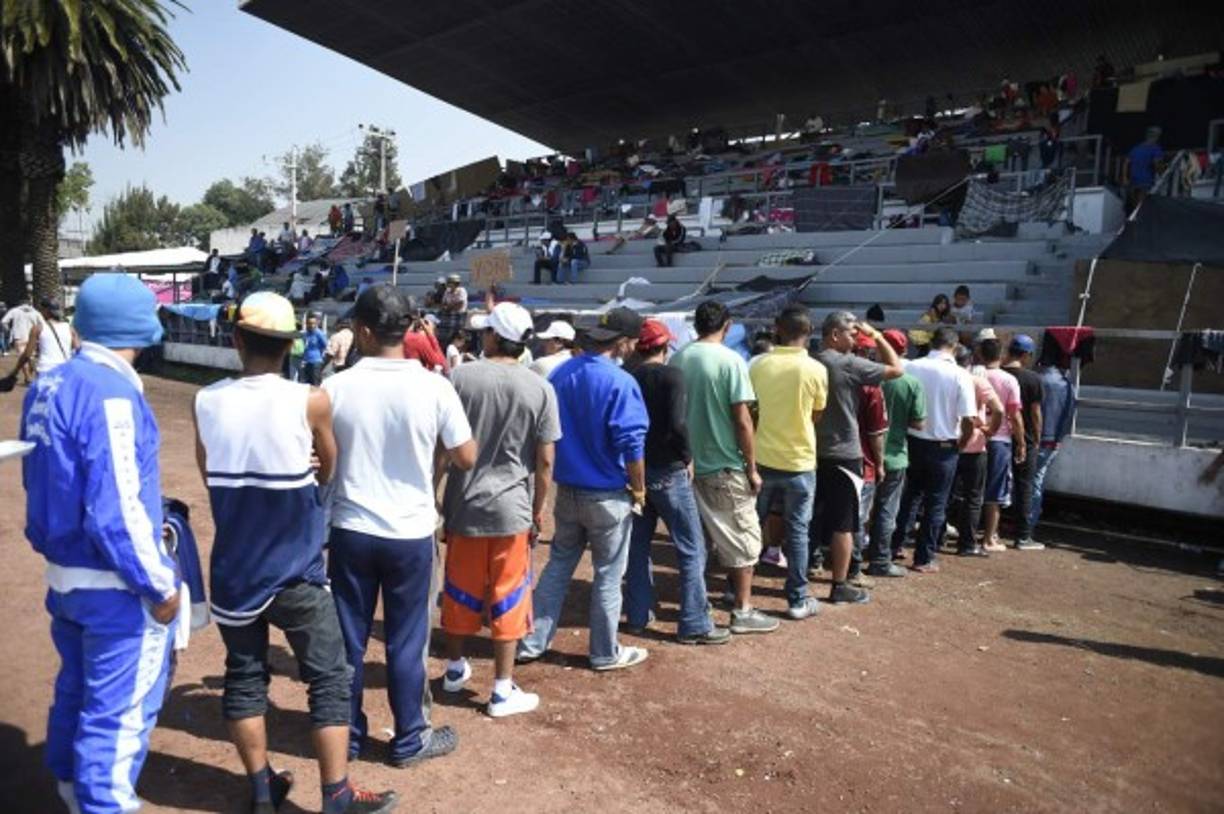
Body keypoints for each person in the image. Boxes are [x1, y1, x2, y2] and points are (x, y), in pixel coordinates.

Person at [193, 291, 397, 814]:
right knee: (329, 678)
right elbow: (329, 467)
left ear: (236, 339)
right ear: (289, 345)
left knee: (244, 676)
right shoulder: (311, 399)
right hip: (297, 571)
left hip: (235, 570)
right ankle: (336, 795)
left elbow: (207, 470)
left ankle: (262, 789)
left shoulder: (206, 400)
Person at [21, 274, 181, 814]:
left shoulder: (49, 384)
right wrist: (160, 583)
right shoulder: (111, 393)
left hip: (65, 576)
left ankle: (69, 790)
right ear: (139, 327)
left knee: (76, 692)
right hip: (115, 585)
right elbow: (117, 509)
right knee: (118, 715)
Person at [322, 285, 474, 767]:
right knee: (407, 640)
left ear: (363, 331)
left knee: (349, 636)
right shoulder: (434, 386)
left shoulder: (335, 388)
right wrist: (429, 454)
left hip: (351, 527)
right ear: (410, 328)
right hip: (410, 530)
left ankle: (345, 734)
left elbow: (317, 456)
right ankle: (410, 737)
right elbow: (467, 455)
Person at [441, 302, 560, 714]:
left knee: (458, 588)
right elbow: (545, 461)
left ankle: (455, 668)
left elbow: (443, 448)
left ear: (492, 335)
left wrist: (437, 497)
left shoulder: (459, 378)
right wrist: (538, 509)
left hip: (463, 504)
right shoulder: (540, 387)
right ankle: (502, 688)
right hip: (512, 507)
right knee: (509, 596)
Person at [518, 307, 650, 669]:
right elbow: (632, 444)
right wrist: (639, 490)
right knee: (609, 573)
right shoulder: (621, 381)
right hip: (608, 492)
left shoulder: (563, 371)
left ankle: (532, 641)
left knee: (559, 564)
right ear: (622, 343)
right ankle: (604, 651)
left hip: (568, 488)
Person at [670, 301, 779, 634]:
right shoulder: (732, 361)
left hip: (688, 464)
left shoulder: (680, 357)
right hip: (723, 464)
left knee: (697, 540)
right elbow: (743, 420)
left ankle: (697, 604)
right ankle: (742, 608)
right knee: (745, 540)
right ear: (727, 326)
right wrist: (752, 466)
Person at [624, 319, 730, 643]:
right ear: (665, 346)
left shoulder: (628, 376)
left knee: (638, 546)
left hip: (636, 469)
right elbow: (677, 424)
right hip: (669, 469)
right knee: (691, 546)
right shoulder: (671, 375)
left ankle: (638, 615)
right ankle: (694, 621)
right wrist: (688, 457)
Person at [810, 311, 904, 602]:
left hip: (810, 451)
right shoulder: (847, 364)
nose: (856, 338)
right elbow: (895, 368)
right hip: (843, 453)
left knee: (808, 519)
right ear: (834, 334)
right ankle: (840, 584)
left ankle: (801, 578)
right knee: (844, 523)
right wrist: (876, 335)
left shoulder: (811, 361)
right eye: (851, 333)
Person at [748, 306, 828, 619]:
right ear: (809, 333)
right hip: (800, 461)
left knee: (752, 526)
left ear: (777, 329)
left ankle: (734, 587)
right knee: (798, 532)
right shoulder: (816, 369)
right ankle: (797, 600)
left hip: (763, 458)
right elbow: (817, 414)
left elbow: (750, 410)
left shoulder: (759, 365)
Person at [890, 327, 977, 573]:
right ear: (955, 346)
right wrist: (961, 444)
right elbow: (969, 418)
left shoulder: (912, 366)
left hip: (913, 440)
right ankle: (923, 557)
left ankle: (895, 545)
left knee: (909, 497)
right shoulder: (960, 375)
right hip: (944, 444)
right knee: (936, 503)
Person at [865, 330, 925, 577]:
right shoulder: (911, 383)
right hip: (895, 454)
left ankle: (853, 558)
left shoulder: (867, 378)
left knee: (862, 509)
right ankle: (880, 559)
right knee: (887, 509)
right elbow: (919, 423)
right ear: (903, 351)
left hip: (866, 454)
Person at [948, 344, 1003, 556]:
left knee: (945, 495)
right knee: (973, 498)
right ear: (969, 362)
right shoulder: (977, 381)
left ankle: (934, 539)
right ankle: (967, 544)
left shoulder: (948, 378)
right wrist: (990, 430)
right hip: (975, 446)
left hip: (951, 443)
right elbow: (998, 409)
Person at [848, 332, 889, 582]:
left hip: (826, 455)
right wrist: (880, 462)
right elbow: (876, 432)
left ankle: (817, 561)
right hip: (862, 460)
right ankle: (852, 570)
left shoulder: (827, 374)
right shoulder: (871, 386)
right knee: (858, 519)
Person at [980, 338, 1025, 553]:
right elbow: (1014, 415)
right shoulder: (1008, 381)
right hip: (999, 439)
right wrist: (1022, 442)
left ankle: (968, 534)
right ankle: (989, 538)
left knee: (970, 490)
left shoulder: (973, 375)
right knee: (995, 492)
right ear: (1002, 355)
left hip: (975, 437)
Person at [1002, 334, 1044, 550]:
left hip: (997, 437)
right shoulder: (1033, 379)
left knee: (992, 483)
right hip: (1024, 438)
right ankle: (1023, 536)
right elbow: (1035, 413)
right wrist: (1036, 437)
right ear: (1027, 354)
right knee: (1024, 486)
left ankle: (988, 530)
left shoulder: (997, 374)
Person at [1029, 345, 1077, 535]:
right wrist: (1059, 439)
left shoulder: (1038, 380)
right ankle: (1029, 522)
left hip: (1034, 438)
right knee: (1036, 482)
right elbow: (1069, 414)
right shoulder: (1066, 384)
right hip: (1051, 441)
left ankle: (1024, 521)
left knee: (1026, 481)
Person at [13, 297, 77, 378]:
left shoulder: (38, 328)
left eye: (41, 310)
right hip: (64, 371)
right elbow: (78, 350)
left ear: (46, 311)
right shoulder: (69, 328)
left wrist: (14, 372)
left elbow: (27, 355)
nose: (40, 312)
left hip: (45, 371)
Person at [1124, 126, 1164, 212]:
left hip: (1133, 183)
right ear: (1156, 136)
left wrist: (1125, 178)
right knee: (1142, 210)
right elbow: (1157, 165)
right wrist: (1162, 174)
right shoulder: (1156, 148)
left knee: (1135, 209)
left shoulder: (1136, 148)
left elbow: (1126, 163)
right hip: (1145, 183)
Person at [2, 296, 41, 383]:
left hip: (19, 337)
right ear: (29, 302)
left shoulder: (14, 311)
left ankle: (27, 378)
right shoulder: (35, 312)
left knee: (22, 357)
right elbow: (42, 324)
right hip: (33, 338)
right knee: (31, 357)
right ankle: (36, 374)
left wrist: (8, 330)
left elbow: (4, 321)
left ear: (20, 302)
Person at [438, 274, 468, 346]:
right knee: (443, 332)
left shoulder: (462, 291)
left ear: (455, 283)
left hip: (459, 315)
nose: (448, 285)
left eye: (450, 283)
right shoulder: (447, 291)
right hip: (448, 314)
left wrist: (449, 307)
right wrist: (447, 307)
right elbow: (443, 303)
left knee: (457, 333)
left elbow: (460, 304)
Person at [300, 313, 328, 386]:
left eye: (313, 323)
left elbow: (325, 345)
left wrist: (319, 352)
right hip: (306, 362)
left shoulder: (319, 333)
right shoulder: (306, 333)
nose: (311, 325)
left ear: (316, 324)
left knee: (315, 384)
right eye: (309, 323)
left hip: (316, 362)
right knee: (307, 384)